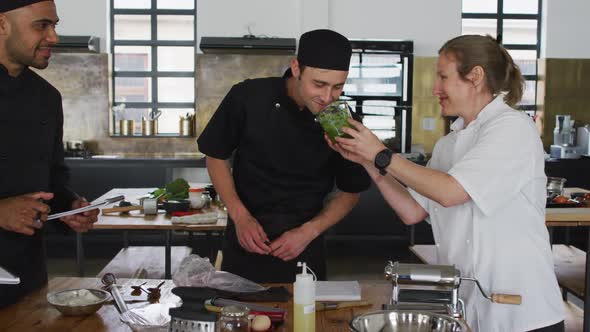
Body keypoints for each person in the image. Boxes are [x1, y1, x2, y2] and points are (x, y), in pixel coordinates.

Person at [328, 35, 564, 332]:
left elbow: (451, 192)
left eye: (443, 77)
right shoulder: (449, 144)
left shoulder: (512, 127)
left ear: (475, 77)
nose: (435, 89)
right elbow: (412, 210)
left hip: (523, 314)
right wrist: (367, 161)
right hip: (468, 309)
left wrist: (380, 153)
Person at [197, 29, 370, 282]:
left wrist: (309, 232)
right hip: (244, 241)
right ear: (296, 68)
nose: (327, 97)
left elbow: (350, 191)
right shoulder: (247, 97)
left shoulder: (342, 121)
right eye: (319, 84)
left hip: (304, 248)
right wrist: (240, 216)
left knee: (307, 321)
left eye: (338, 87)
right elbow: (215, 155)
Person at [0, 0, 99, 308]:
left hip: (27, 271)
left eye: (54, 25)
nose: (54, 37)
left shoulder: (46, 97)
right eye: (41, 25)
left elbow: (53, 176)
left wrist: (69, 207)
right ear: (2, 24)